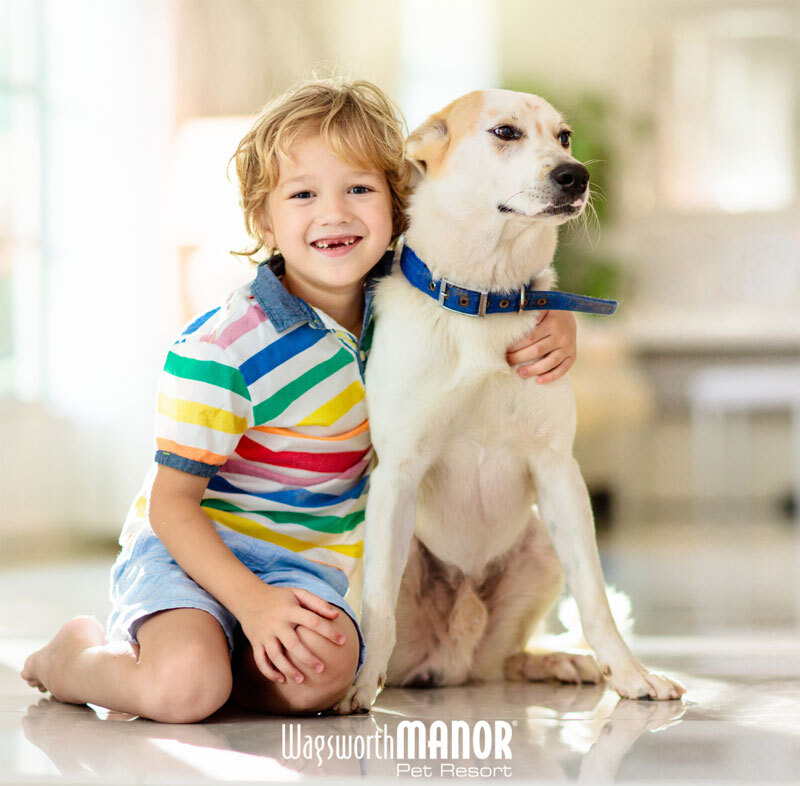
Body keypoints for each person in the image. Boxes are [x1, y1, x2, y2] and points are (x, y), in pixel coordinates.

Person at [21, 78, 578, 722]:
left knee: (324, 681)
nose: (335, 213)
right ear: (264, 220)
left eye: (360, 190)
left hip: (300, 569)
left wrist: (557, 321)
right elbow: (172, 510)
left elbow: (495, 303)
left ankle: (223, 662)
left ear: (400, 208)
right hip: (196, 558)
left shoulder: (406, 309)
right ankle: (73, 658)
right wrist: (251, 605)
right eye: (304, 194)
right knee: (185, 690)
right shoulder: (223, 345)